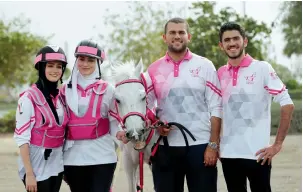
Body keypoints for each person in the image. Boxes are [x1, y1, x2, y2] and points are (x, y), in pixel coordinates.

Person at [144, 17, 222, 192]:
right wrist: (156, 123)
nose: (177, 36)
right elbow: (147, 107)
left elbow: (217, 107)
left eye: (181, 32)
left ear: (189, 36)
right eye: (172, 32)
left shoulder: (205, 65)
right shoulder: (153, 69)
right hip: (165, 147)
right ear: (164, 37)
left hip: (201, 147)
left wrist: (213, 145)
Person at [217, 22, 295, 192]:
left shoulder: (262, 68)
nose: (232, 43)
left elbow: (287, 104)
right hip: (229, 155)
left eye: (236, 38)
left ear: (245, 41)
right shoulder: (220, 73)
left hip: (258, 154)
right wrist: (216, 145)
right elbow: (216, 111)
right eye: (227, 40)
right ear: (221, 45)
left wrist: (277, 144)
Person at [61, 39, 126, 192]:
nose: (85, 64)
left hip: (102, 156)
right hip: (73, 158)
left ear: (98, 63)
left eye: (90, 60)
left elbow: (113, 122)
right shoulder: (65, 89)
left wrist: (120, 133)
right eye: (81, 59)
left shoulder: (108, 89)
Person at [13, 45, 69, 192]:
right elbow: (22, 138)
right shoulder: (28, 98)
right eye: (50, 66)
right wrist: (29, 174)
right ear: (41, 67)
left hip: (56, 161)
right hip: (36, 162)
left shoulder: (61, 97)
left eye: (59, 66)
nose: (55, 70)